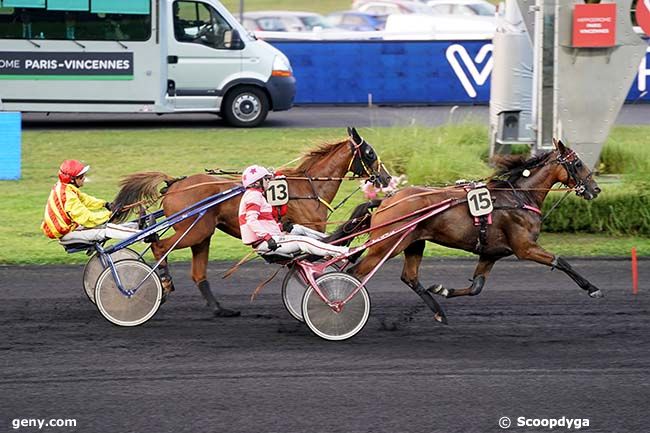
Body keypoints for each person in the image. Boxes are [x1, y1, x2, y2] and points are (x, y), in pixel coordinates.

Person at [238, 165, 349, 257]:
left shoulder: (255, 195)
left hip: (269, 238)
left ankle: (331, 240)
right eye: (266, 179)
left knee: (297, 228)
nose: (268, 182)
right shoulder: (254, 196)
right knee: (302, 241)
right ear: (257, 183)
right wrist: (267, 237)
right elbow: (251, 221)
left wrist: (280, 227)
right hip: (265, 242)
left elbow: (264, 222)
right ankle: (341, 251)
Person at [41, 160, 139, 244]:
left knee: (104, 226)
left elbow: (85, 200)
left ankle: (135, 227)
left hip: (70, 229)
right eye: (81, 176)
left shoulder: (65, 187)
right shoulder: (68, 197)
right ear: (72, 180)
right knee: (106, 230)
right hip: (67, 234)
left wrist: (105, 204)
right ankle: (140, 236)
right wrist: (109, 215)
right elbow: (87, 219)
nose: (84, 178)